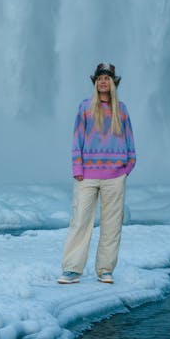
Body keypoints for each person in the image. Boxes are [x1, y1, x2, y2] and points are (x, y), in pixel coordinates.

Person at [58, 62, 136, 284]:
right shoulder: (85, 107)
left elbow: (130, 140)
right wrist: (77, 168)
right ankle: (72, 269)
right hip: (88, 175)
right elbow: (77, 139)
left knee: (112, 225)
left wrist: (128, 166)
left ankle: (105, 269)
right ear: (95, 82)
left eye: (107, 78)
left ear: (113, 82)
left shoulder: (121, 109)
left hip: (115, 175)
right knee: (80, 221)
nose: (103, 81)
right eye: (100, 78)